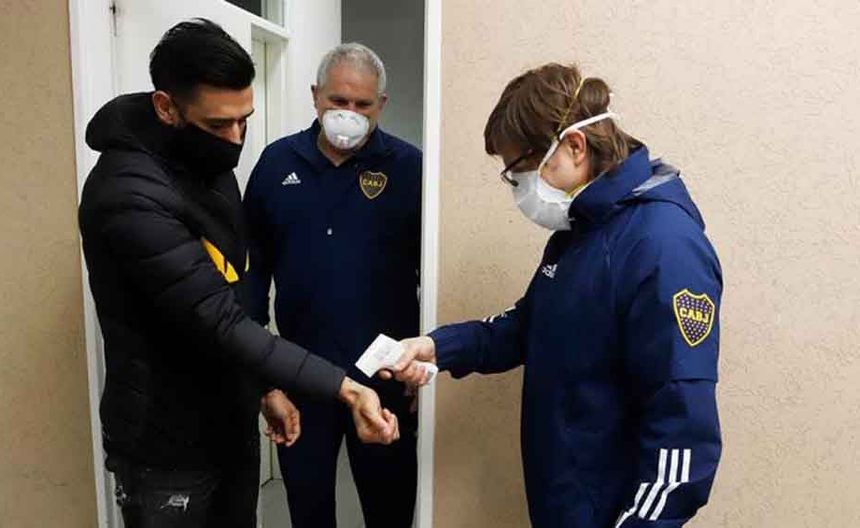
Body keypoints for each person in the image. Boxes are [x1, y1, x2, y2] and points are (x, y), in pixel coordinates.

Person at [78, 20, 398, 528]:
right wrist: (344, 388)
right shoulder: (127, 195)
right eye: (218, 125)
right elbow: (222, 317)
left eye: (243, 122)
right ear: (166, 108)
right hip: (167, 447)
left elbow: (237, 279)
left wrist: (261, 389)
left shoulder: (208, 167)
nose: (235, 140)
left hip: (231, 423)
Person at [388, 63, 722, 527]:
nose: (519, 188)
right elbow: (529, 326)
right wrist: (437, 347)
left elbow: (683, 432)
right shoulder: (580, 230)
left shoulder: (663, 246)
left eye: (520, 170)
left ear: (575, 146)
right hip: (561, 501)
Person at [243, 43, 421, 528]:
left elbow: (430, 272)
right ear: (315, 96)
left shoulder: (409, 169)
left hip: (385, 375)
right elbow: (251, 276)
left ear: (381, 105)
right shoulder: (276, 164)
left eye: (363, 104)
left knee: (390, 508)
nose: (349, 114)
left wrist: (420, 369)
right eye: (338, 101)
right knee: (309, 509)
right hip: (300, 372)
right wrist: (265, 379)